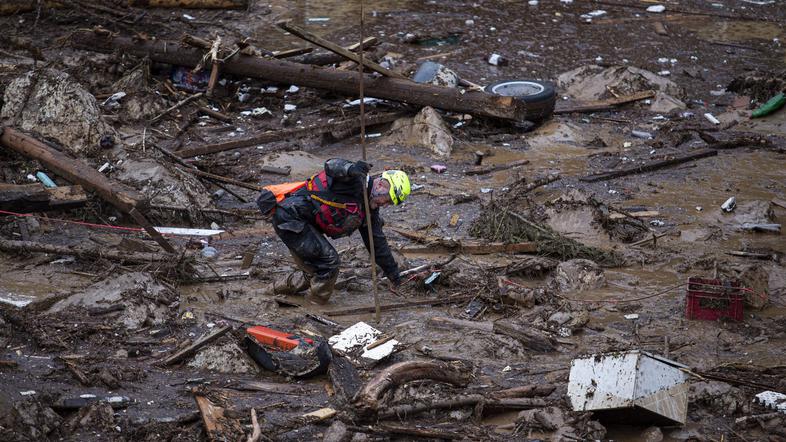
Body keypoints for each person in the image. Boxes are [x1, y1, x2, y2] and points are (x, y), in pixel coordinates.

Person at [263, 158, 411, 304]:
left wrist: (394, 276)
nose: (385, 205)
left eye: (390, 203)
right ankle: (316, 305)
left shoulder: (369, 211)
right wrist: (350, 169)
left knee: (314, 271)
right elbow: (331, 165)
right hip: (291, 218)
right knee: (328, 263)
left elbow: (377, 244)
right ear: (382, 186)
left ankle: (270, 291)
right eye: (388, 199)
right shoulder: (353, 180)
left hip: (303, 223)